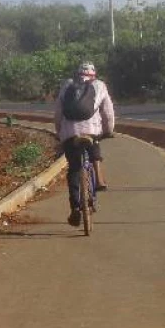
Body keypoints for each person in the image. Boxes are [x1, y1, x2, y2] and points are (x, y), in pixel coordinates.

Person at [54, 61, 115, 227]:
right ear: (93, 74)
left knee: (74, 169)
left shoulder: (67, 85)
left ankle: (75, 207)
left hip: (69, 133)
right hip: (92, 131)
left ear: (77, 74)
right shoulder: (99, 85)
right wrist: (109, 130)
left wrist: (60, 132)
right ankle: (100, 179)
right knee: (94, 144)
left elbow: (58, 112)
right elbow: (108, 112)